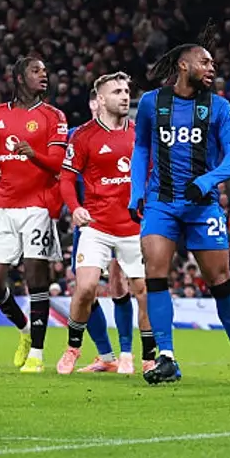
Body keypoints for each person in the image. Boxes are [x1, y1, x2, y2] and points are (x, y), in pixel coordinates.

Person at [129, 27, 230, 385]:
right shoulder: (153, 103)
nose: (212, 67)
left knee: (219, 281)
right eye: (205, 61)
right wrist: (136, 191)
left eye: (213, 62)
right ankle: (166, 357)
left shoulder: (218, 107)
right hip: (161, 204)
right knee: (155, 274)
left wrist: (206, 180)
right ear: (183, 65)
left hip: (203, 206)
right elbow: (140, 148)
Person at [0, 56, 68, 372]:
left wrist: (34, 155)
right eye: (36, 71)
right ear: (19, 78)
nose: (43, 76)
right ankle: (24, 330)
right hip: (4, 207)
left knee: (36, 277)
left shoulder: (53, 116)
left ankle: (37, 352)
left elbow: (58, 163)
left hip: (38, 205)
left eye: (46, 71)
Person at [58, 73, 155, 375]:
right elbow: (65, 179)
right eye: (117, 92)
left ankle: (149, 357)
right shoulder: (84, 136)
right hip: (96, 226)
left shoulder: (140, 133)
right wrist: (75, 208)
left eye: (127, 91)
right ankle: (73, 348)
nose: (125, 96)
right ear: (100, 99)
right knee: (85, 287)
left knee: (144, 292)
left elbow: (153, 176)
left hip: (133, 226)